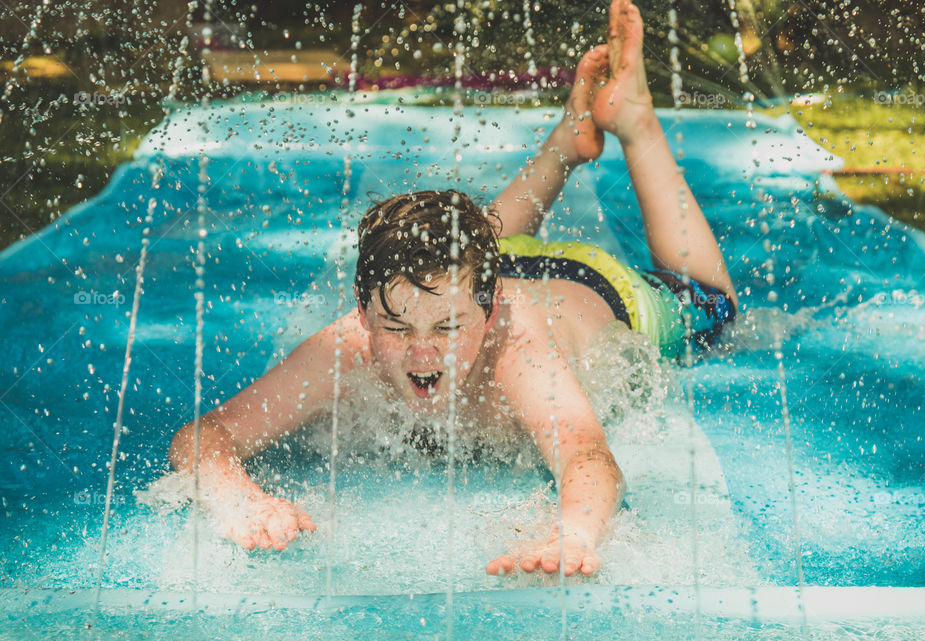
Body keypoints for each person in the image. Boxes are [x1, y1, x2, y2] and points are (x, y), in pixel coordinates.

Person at [169, 0, 737, 577]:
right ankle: (567, 141)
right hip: (479, 270)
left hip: (590, 289)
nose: (423, 352)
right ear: (363, 314)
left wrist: (574, 533)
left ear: (489, 320)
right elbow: (204, 436)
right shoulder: (356, 342)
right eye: (395, 328)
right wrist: (237, 500)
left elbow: (587, 455)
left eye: (446, 332)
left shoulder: (519, 352)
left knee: (711, 303)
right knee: (473, 247)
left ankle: (636, 120)